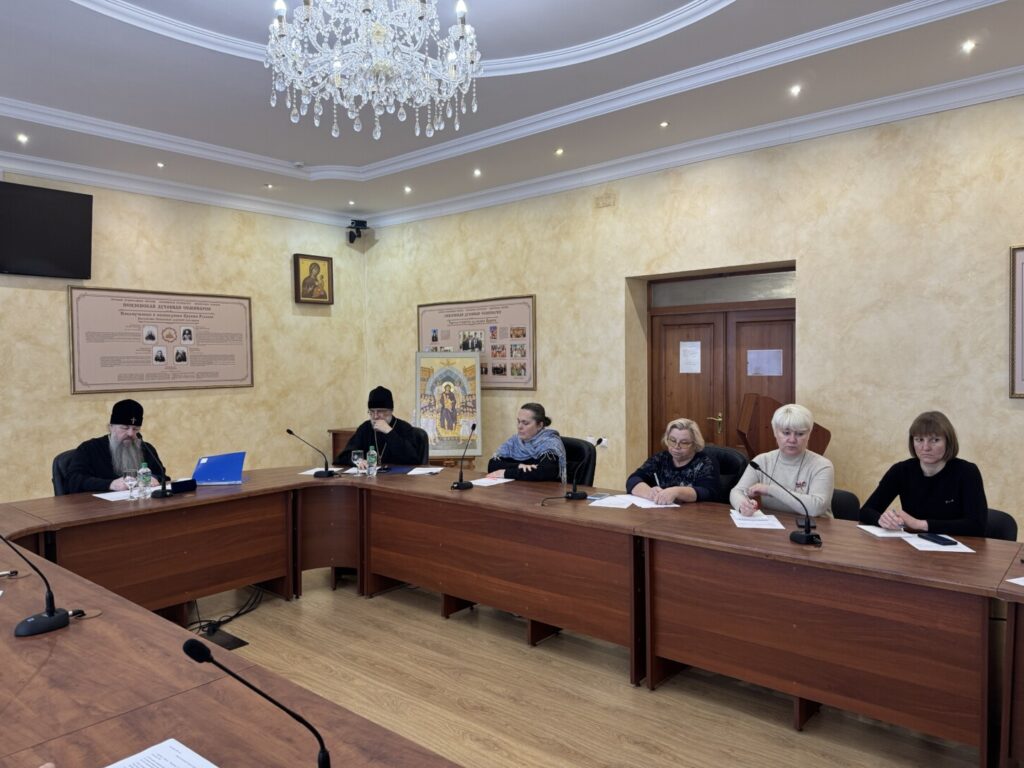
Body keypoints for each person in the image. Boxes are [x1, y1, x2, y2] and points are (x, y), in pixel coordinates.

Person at [859, 411, 988, 536]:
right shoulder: (901, 470)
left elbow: (977, 526)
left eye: (935, 440)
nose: (925, 447)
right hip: (912, 545)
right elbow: (865, 511)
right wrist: (883, 520)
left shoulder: (967, 472)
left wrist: (919, 524)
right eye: (919, 439)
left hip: (958, 547)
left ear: (948, 442)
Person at [730, 403, 834, 518]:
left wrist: (769, 489)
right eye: (786, 433)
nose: (792, 440)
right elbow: (737, 491)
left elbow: (816, 508)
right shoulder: (761, 462)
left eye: (800, 434)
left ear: (809, 435)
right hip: (775, 526)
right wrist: (743, 505)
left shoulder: (822, 465)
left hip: (815, 526)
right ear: (775, 432)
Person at [66, 399, 166, 493]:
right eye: (125, 428)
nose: (131, 433)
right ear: (111, 427)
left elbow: (162, 475)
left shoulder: (146, 448)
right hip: (99, 504)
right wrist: (110, 484)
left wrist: (154, 478)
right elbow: (73, 480)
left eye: (135, 429)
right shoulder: (89, 448)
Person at [627, 418, 719, 504]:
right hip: (661, 511)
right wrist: (649, 493)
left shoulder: (706, 461)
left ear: (695, 444)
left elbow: (708, 493)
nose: (676, 447)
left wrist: (676, 492)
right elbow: (633, 480)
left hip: (695, 513)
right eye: (672, 441)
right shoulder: (660, 458)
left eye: (684, 443)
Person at [335, 386, 425, 467]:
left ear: (390, 411)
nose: (375, 416)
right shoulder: (365, 428)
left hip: (399, 478)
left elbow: (413, 459)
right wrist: (358, 460)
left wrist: (389, 432)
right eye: (372, 411)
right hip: (371, 477)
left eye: (380, 411)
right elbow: (344, 456)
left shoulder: (404, 428)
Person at [487, 403, 566, 482]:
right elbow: (492, 465)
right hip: (517, 487)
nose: (519, 427)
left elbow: (544, 472)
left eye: (525, 423)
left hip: (543, 489)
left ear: (539, 425)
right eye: (518, 422)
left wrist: (505, 473)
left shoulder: (550, 443)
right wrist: (519, 466)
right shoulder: (514, 441)